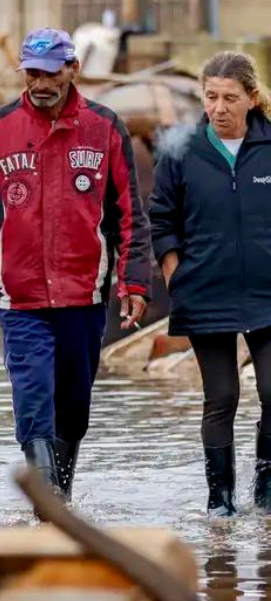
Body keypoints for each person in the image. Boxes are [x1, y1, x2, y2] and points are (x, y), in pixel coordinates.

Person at [0, 28, 152, 500]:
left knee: (73, 407)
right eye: (31, 73)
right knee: (33, 398)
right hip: (20, 298)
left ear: (72, 70)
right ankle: (48, 506)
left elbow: (130, 213)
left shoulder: (105, 127)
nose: (40, 84)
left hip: (84, 294)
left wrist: (134, 283)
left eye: (50, 74)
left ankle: (60, 499)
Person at [148, 51, 271, 517]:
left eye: (230, 98)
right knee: (221, 397)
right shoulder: (183, 150)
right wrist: (175, 274)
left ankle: (266, 494)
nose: (218, 107)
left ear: (252, 99)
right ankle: (220, 504)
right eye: (210, 97)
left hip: (267, 294)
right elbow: (161, 219)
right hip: (206, 293)